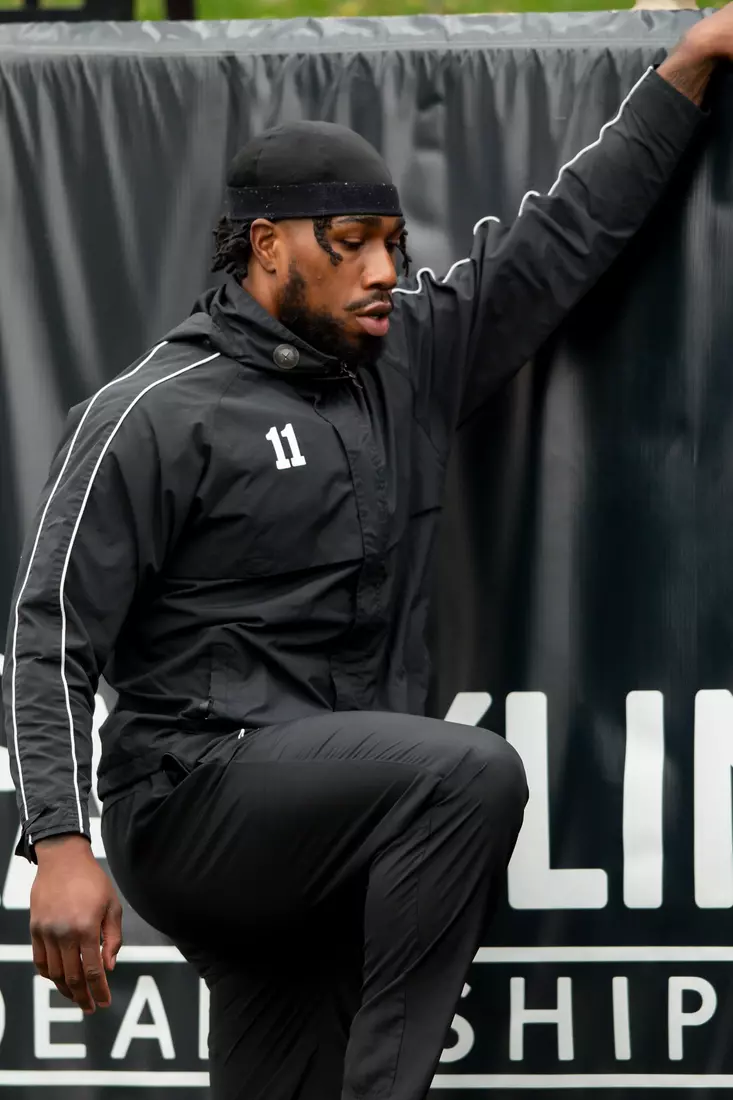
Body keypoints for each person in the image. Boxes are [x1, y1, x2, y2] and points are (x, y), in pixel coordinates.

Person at [3, 9, 733, 1099]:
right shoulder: (151, 409)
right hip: (192, 794)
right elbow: (50, 628)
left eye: (393, 242)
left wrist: (690, 65)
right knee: (467, 773)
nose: (385, 268)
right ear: (268, 248)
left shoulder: (409, 356)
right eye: (351, 245)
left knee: (285, 1067)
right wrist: (59, 841)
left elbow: (560, 240)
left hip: (328, 820)